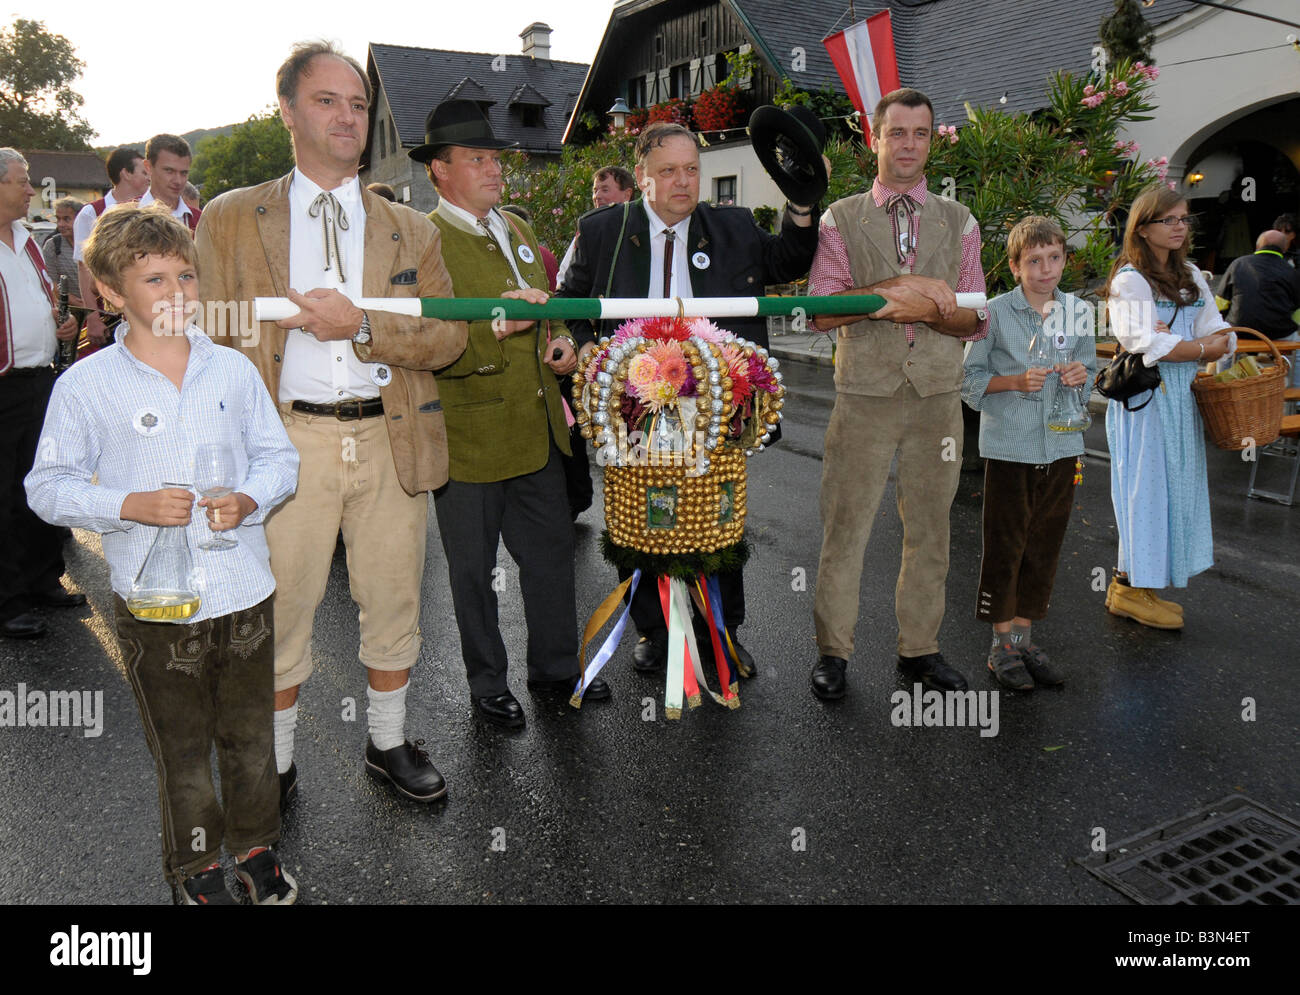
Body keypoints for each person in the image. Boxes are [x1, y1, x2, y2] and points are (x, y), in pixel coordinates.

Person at [197, 41, 467, 801]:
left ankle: (388, 741)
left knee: (393, 598)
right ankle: (275, 760)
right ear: (287, 111)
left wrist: (361, 327)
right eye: (327, 101)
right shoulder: (229, 219)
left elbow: (448, 335)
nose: (348, 116)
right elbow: (205, 333)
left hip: (390, 435)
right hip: (282, 441)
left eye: (358, 104)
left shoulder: (411, 229)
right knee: (279, 607)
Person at [26, 203, 301, 904]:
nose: (177, 292)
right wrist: (127, 503)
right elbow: (46, 486)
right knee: (181, 751)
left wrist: (249, 497)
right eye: (154, 279)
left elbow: (278, 458)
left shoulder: (232, 372)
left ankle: (256, 846)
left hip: (243, 589)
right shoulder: (85, 386)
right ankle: (197, 865)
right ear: (111, 292)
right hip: (154, 601)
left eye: (186, 275)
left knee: (250, 740)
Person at [558, 121, 821, 676]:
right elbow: (571, 300)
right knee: (645, 517)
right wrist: (582, 348)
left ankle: (720, 632)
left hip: (714, 402)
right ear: (643, 178)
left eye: (692, 169)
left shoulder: (733, 227)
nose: (683, 181)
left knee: (716, 517)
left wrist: (801, 205)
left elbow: (789, 261)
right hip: (636, 404)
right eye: (668, 171)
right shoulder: (603, 230)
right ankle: (655, 631)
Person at [410, 98, 600, 730]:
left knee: (550, 561)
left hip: (538, 431)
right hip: (469, 436)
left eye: (496, 158)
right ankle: (488, 683)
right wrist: (502, 325)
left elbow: (545, 312)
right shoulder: (425, 240)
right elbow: (427, 341)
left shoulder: (516, 230)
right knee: (473, 573)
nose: (495, 170)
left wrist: (561, 344)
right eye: (478, 159)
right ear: (440, 169)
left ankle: (554, 669)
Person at [806, 88, 989, 700]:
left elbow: (974, 317)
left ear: (931, 140)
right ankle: (834, 650)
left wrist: (932, 310)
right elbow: (821, 314)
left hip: (937, 395)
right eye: (897, 133)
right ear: (874, 139)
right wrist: (898, 288)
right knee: (846, 527)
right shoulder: (840, 218)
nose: (909, 145)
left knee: (931, 531)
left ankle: (920, 650)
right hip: (863, 394)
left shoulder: (960, 221)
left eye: (920, 134)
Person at [961, 216, 1095, 689]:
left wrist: (1084, 378)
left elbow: (1092, 371)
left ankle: (1024, 638)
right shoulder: (994, 312)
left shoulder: (1079, 311)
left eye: (1054, 258)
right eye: (1033, 261)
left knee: (1044, 545)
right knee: (1006, 545)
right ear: (1015, 266)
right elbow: (969, 381)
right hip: (1010, 447)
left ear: (1064, 259)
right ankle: (1001, 646)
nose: (1045, 269)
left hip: (1062, 443)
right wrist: (1014, 382)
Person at [1103, 185, 1234, 629]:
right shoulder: (1129, 280)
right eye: (1169, 220)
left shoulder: (1193, 275)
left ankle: (1144, 586)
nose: (1180, 227)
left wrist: (1195, 344)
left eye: (1184, 220)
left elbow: (1222, 332)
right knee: (1145, 492)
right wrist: (1198, 346)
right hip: (1145, 401)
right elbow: (1145, 343)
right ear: (1142, 228)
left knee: (1174, 491)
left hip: (1179, 399)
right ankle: (1127, 587)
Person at [0, 149, 82, 641]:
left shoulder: (26, 240)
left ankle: (42, 581)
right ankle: (8, 601)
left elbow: (41, 299)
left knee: (41, 484)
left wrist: (62, 324)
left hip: (40, 379)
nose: (31, 191)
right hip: (4, 385)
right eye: (22, 181)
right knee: (4, 496)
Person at [73, 147, 149, 348]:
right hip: (109, 317)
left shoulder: (150, 211)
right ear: (126, 173)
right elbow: (84, 268)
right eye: (144, 172)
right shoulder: (91, 213)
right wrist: (93, 319)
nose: (149, 177)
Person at [1217, 229, 1300, 387]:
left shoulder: (1238, 264)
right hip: (1278, 334)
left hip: (1240, 329)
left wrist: (1225, 325)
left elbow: (1220, 303)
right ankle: (1296, 395)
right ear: (1284, 249)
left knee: (1225, 347)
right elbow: (1298, 313)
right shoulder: (1292, 272)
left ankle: (1222, 386)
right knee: (1298, 352)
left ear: (1257, 246)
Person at [554, 164, 636, 288]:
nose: (597, 196)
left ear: (627, 194)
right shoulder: (588, 232)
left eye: (605, 190)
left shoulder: (641, 231)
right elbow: (564, 277)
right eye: (595, 190)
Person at [140, 134, 201, 232]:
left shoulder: (201, 221)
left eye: (184, 173)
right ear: (148, 167)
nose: (178, 181)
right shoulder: (123, 219)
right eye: (169, 171)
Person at [41, 197, 84, 309]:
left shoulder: (94, 243)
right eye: (58, 219)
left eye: (66, 219)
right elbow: (51, 284)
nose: (60, 224)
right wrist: (81, 305)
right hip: (70, 311)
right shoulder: (53, 245)